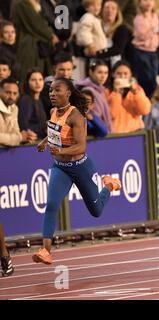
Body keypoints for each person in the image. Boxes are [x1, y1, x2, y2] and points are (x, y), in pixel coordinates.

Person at [32, 78, 121, 265]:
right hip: (60, 168)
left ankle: (109, 185)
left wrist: (62, 151)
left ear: (68, 94)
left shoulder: (77, 117)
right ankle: (45, 250)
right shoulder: (53, 111)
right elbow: (55, 132)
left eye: (57, 91)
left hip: (80, 167)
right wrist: (45, 141)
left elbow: (81, 147)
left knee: (96, 211)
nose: (52, 94)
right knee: (51, 205)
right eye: (51, 91)